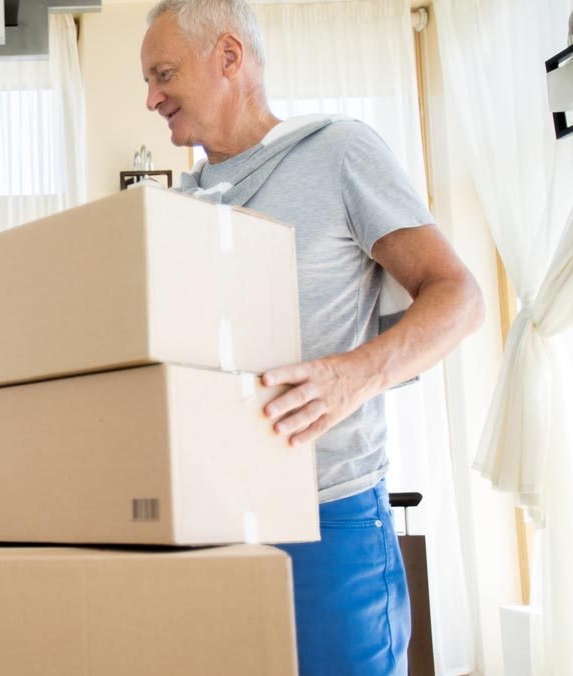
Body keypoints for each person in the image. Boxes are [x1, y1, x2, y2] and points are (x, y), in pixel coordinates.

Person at [141, 1, 484, 674]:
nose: (152, 98)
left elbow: (459, 296)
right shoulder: (174, 208)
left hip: (328, 523)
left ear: (229, 58)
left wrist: (354, 374)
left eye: (164, 74)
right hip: (206, 527)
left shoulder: (338, 153)